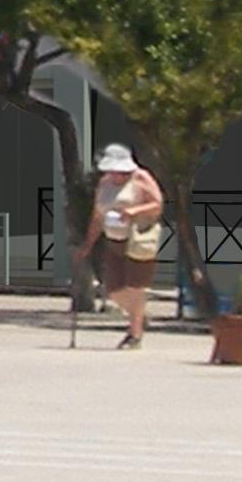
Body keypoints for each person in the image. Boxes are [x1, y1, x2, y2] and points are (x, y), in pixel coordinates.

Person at [82, 143, 166, 348]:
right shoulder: (104, 183)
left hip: (137, 239)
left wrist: (133, 212)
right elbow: (97, 215)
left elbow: (157, 205)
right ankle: (138, 316)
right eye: (113, 171)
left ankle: (134, 334)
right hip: (113, 240)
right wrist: (88, 243)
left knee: (135, 287)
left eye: (120, 171)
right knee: (114, 290)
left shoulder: (141, 178)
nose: (116, 175)